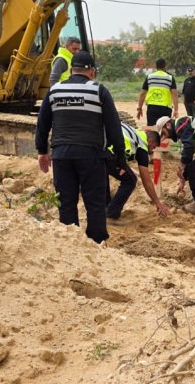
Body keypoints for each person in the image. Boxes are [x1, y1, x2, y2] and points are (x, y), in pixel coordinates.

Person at [35, 51, 126, 244]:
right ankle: (97, 242)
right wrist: (120, 157)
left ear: (70, 70)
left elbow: (42, 124)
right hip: (91, 155)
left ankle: (70, 242)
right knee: (95, 202)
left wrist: (42, 152)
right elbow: (114, 127)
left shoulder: (55, 90)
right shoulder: (99, 90)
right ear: (92, 72)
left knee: (66, 202)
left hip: (61, 155)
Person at [106, 123, 171, 220]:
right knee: (130, 180)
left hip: (97, 146)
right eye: (154, 147)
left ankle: (105, 208)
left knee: (103, 172)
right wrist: (157, 203)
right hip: (110, 152)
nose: (152, 150)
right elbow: (147, 181)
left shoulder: (135, 133)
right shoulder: (142, 145)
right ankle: (111, 215)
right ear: (150, 141)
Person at [137, 58, 178, 127]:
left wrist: (139, 108)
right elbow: (174, 94)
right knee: (165, 130)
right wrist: (176, 110)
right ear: (165, 66)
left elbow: (142, 94)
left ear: (156, 66)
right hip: (165, 108)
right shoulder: (170, 78)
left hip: (152, 108)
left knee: (152, 129)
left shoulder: (149, 77)